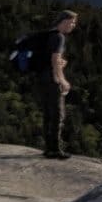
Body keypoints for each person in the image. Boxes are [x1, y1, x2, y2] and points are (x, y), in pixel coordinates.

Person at [32, 10, 79, 158]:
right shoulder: (59, 37)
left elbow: (49, 59)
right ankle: (55, 149)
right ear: (64, 21)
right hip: (52, 80)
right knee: (58, 115)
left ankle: (48, 148)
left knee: (47, 113)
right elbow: (54, 60)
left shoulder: (48, 34)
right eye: (72, 22)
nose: (73, 25)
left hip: (41, 79)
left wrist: (59, 63)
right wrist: (62, 80)